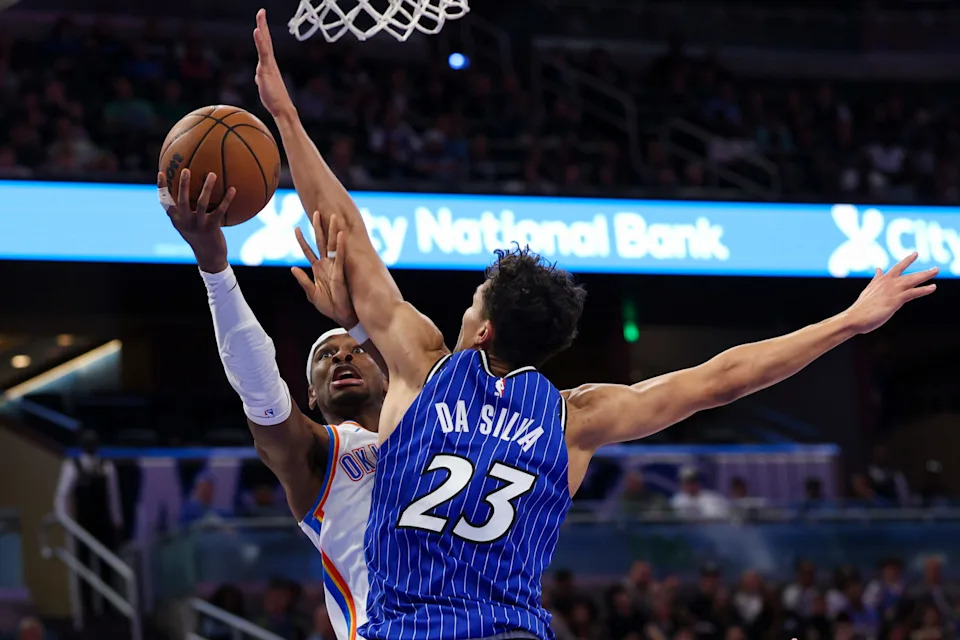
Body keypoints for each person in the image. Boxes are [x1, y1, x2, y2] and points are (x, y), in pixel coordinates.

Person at [251, 10, 938, 639]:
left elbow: (345, 229)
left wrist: (285, 116)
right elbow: (722, 379)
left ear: (483, 331)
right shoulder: (574, 418)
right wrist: (848, 321)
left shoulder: (422, 365)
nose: (463, 309)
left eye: (472, 302)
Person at [157, 165, 387, 640]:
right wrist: (215, 269)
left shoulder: (437, 426)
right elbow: (260, 385)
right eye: (325, 356)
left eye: (356, 350)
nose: (342, 355)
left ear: (387, 376)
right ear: (310, 394)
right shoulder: (319, 452)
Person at [53, 429, 123, 616]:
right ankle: (88, 609)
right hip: (83, 524)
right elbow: (61, 495)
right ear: (82, 445)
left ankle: (108, 607)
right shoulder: (72, 466)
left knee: (107, 567)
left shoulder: (107, 466)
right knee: (84, 566)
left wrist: (117, 521)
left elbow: (113, 496)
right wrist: (64, 519)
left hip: (104, 523)